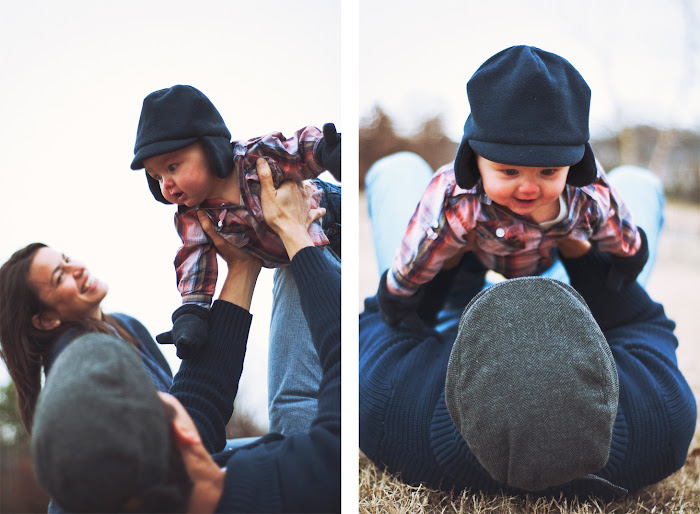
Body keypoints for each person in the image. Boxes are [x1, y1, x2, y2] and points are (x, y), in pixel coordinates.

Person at [360, 151, 697, 498]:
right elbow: (643, 320)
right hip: (580, 294)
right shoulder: (661, 421)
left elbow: (385, 318)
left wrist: (451, 256)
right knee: (636, 182)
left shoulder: (391, 410)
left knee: (398, 167)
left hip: (453, 316)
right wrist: (573, 243)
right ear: (606, 381)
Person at [30, 158, 340, 513]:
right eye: (163, 399)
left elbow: (199, 410)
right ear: (184, 435)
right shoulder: (306, 476)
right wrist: (293, 233)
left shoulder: (78, 496)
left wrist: (242, 265)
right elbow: (343, 367)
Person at [377, 46, 647, 330]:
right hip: (471, 263)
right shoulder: (455, 198)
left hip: (552, 268)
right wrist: (399, 301)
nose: (528, 188)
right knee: (451, 296)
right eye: (509, 171)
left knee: (573, 302)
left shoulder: (587, 196)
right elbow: (417, 259)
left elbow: (625, 241)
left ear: (573, 167)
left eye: (548, 171)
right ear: (475, 161)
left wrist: (626, 266)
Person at [130, 84, 341, 357]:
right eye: (157, 177)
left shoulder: (254, 158)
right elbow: (195, 260)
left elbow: (294, 149)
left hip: (329, 211)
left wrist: (325, 151)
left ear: (210, 148)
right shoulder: (194, 216)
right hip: (301, 254)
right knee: (322, 317)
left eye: (172, 167)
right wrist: (192, 313)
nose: (167, 184)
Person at [0, 243, 173, 433]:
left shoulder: (126, 324)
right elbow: (171, 437)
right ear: (46, 320)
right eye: (60, 277)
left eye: (66, 259)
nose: (79, 268)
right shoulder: (82, 361)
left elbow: (179, 404)